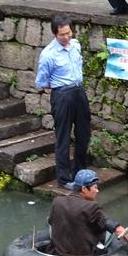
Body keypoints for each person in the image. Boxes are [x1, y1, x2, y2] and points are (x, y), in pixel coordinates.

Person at [48, 169, 128, 256]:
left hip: (58, 253)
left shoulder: (57, 201)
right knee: (109, 232)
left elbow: (51, 223)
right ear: (84, 189)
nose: (97, 191)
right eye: (95, 187)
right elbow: (118, 229)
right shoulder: (91, 207)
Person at [35, 16, 90, 189]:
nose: (66, 37)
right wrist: (58, 89)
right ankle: (64, 179)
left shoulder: (76, 45)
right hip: (62, 94)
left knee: (83, 133)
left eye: (68, 33)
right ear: (54, 34)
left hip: (79, 91)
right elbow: (41, 81)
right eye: (62, 35)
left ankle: (80, 171)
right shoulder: (48, 54)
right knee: (64, 137)